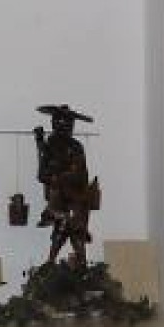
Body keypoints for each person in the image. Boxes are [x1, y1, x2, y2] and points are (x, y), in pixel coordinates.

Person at [34, 104, 99, 267]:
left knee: (76, 231)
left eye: (66, 122)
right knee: (60, 229)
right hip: (58, 197)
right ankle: (50, 262)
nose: (62, 125)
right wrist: (40, 145)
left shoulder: (76, 147)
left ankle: (81, 263)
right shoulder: (49, 147)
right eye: (58, 121)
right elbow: (42, 174)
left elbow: (80, 174)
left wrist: (63, 176)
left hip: (76, 196)